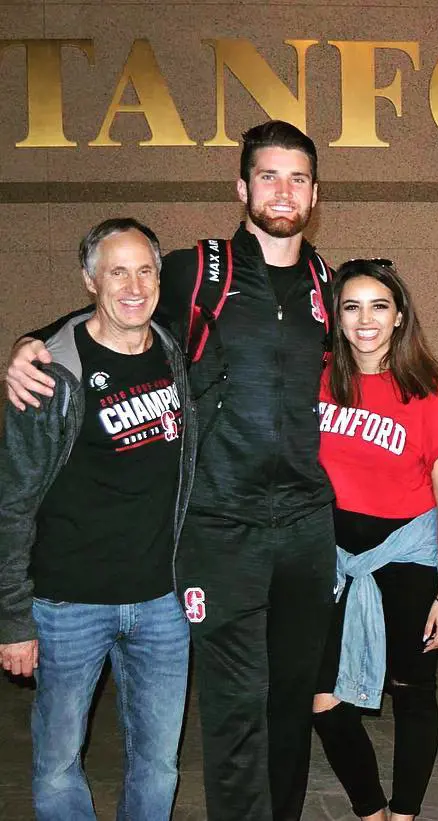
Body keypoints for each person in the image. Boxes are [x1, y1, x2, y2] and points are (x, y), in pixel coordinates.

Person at [5, 120, 336, 821]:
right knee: (234, 712)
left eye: (297, 177)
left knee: (291, 699)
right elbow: (115, 310)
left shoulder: (326, 283)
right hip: (222, 530)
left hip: (306, 527)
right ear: (241, 187)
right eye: (268, 176)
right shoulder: (199, 270)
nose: (283, 190)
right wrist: (29, 344)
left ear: (315, 192)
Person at [0, 218, 195, 819]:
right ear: (90, 280)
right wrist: (11, 617)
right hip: (66, 608)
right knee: (58, 764)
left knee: (159, 764)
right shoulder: (51, 374)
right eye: (117, 271)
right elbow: (11, 501)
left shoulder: (171, 352)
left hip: (163, 604)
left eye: (145, 270)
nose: (133, 285)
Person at [312, 259, 438, 821]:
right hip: (331, 558)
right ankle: (370, 810)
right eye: (351, 306)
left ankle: (404, 814)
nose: (365, 320)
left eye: (379, 306)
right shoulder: (322, 374)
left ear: (399, 316)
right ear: (336, 314)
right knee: (321, 697)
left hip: (406, 557)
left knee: (409, 692)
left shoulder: (427, 390)